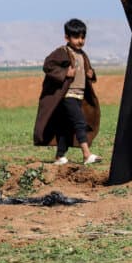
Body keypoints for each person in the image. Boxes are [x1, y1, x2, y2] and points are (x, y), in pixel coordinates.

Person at [32, 18, 102, 165]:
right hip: (67, 95)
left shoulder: (82, 54)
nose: (80, 40)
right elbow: (48, 65)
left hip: (79, 95)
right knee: (80, 122)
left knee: (66, 126)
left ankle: (59, 157)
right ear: (67, 37)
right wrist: (64, 73)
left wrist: (91, 74)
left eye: (83, 37)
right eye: (76, 37)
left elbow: (87, 70)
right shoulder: (62, 52)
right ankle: (86, 154)